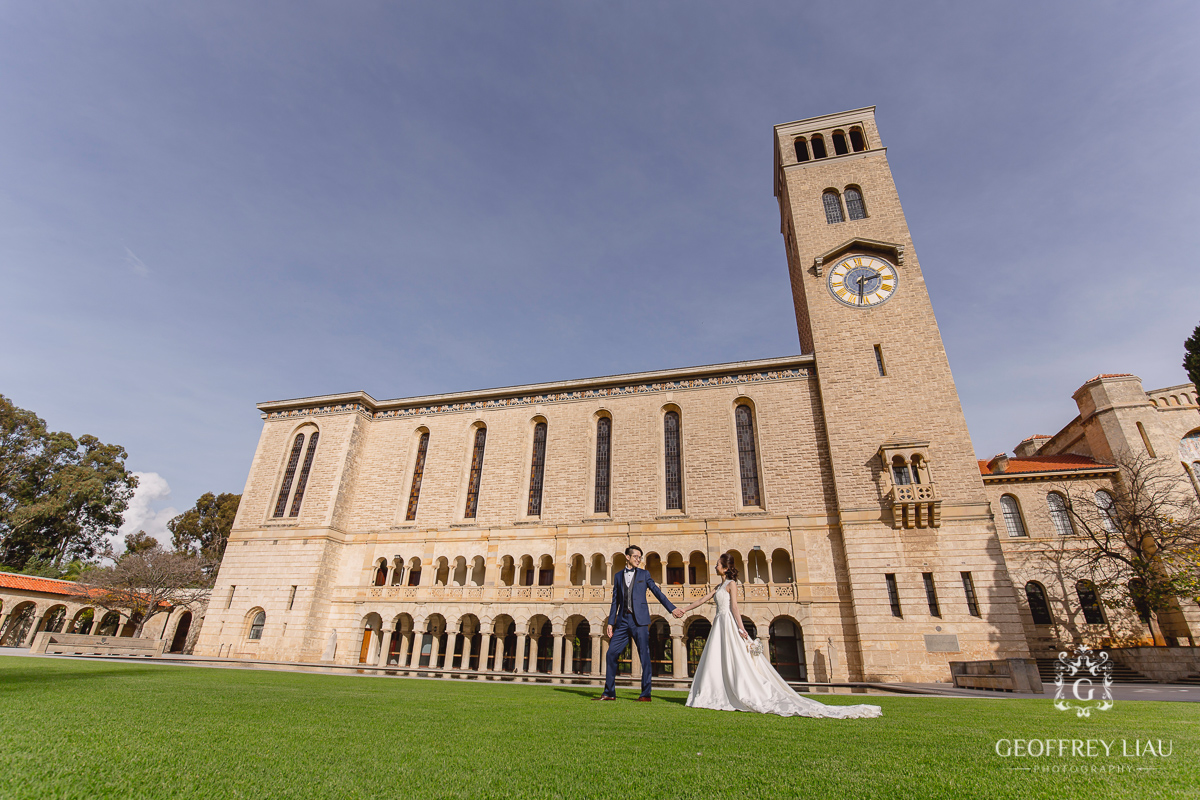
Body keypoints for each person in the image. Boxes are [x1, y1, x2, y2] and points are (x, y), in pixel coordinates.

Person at [678, 553, 882, 719]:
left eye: (717, 564)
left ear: (724, 567)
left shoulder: (731, 584)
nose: (715, 567)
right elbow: (701, 601)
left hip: (728, 623)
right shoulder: (718, 587)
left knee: (734, 658)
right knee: (717, 658)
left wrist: (741, 629)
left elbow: (734, 608)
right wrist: (683, 609)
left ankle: (736, 692)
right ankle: (716, 692)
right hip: (719, 624)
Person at [595, 544, 683, 701]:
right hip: (622, 621)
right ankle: (609, 693)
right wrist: (610, 622)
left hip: (640, 621)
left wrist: (672, 608)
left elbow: (657, 592)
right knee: (611, 653)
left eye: (640, 557)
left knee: (644, 656)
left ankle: (645, 694)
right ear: (627, 557)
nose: (638, 559)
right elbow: (615, 601)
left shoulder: (644, 574)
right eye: (635, 556)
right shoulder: (618, 576)